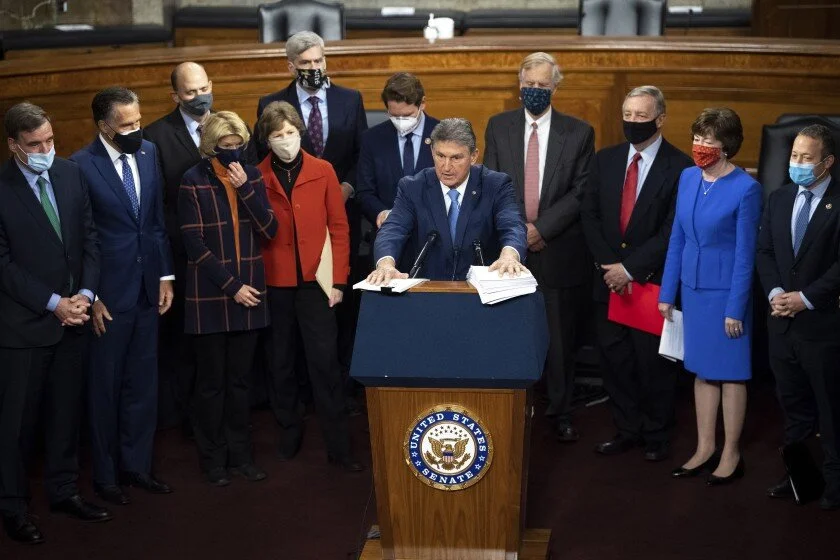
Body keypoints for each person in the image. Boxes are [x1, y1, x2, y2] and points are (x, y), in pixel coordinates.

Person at [0, 102, 109, 544]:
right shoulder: (2, 189)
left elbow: (89, 240)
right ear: (13, 145)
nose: (45, 150)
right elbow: (3, 265)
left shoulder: (70, 173)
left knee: (66, 415)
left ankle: (64, 492)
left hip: (74, 318)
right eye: (34, 145)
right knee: (17, 426)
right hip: (24, 327)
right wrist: (53, 304)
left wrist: (86, 294)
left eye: (49, 140)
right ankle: (13, 507)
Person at [71, 87, 175, 505]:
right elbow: (81, 239)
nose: (136, 129)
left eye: (138, 121)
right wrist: (91, 294)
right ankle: (106, 474)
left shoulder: (149, 152)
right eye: (126, 125)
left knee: (143, 384)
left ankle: (137, 466)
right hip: (108, 297)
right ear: (104, 126)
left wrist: (165, 274)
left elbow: (155, 221)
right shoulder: (80, 165)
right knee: (105, 388)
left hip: (148, 288)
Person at [483, 52, 595, 442]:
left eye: (542, 85)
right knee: (510, 334)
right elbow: (493, 183)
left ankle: (560, 412)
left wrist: (541, 229)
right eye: (528, 84)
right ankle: (511, 409)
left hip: (557, 248)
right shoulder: (498, 126)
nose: (534, 90)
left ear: (555, 88)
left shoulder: (578, 132)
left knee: (560, 340)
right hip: (510, 252)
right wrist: (519, 232)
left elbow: (581, 191)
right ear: (519, 85)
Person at [581, 86, 693, 461]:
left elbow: (672, 229)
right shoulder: (605, 159)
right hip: (608, 282)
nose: (632, 122)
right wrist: (610, 267)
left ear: (660, 119)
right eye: (627, 115)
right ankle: (626, 428)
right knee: (615, 362)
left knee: (653, 365)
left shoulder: (680, 167)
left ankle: (657, 434)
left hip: (651, 283)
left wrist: (629, 269)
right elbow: (590, 215)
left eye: (641, 116)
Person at [255, 30, 368, 399]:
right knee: (286, 339)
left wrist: (344, 188)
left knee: (335, 318)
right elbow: (264, 160)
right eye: (305, 63)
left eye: (319, 60)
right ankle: (298, 399)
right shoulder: (271, 103)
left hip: (339, 214)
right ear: (291, 66)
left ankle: (341, 393)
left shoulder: (351, 99)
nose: (314, 67)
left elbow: (361, 155)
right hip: (289, 232)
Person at [658, 107, 763, 484]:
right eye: (697, 138)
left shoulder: (746, 189)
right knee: (702, 372)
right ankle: (704, 448)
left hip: (726, 296)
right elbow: (677, 238)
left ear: (727, 146)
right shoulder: (688, 177)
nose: (699, 146)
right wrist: (667, 291)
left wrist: (736, 308)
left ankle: (731, 452)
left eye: (708, 141)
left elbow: (745, 255)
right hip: (693, 290)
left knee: (730, 374)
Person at [256, 101, 362, 472]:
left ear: (299, 132)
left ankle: (338, 445)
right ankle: (289, 429)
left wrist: (339, 281)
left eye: (290, 132)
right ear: (267, 139)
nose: (285, 140)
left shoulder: (323, 169)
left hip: (318, 283)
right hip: (275, 283)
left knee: (325, 363)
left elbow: (339, 227)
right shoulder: (257, 175)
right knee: (281, 362)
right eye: (277, 135)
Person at [178, 111, 278, 486]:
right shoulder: (193, 179)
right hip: (212, 293)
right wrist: (232, 285)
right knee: (211, 384)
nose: (234, 151)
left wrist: (246, 189)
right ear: (211, 146)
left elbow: (270, 228)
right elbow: (194, 244)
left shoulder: (251, 176)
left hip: (249, 292)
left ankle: (241, 456)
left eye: (239, 145)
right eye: (226, 146)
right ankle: (213, 460)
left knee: (240, 383)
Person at [756, 124, 840, 510]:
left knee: (830, 409)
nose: (798, 164)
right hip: (780, 322)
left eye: (807, 158)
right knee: (792, 407)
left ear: (827, 162)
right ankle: (800, 476)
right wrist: (775, 293)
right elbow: (765, 252)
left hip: (821, 325)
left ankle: (835, 484)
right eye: (794, 156)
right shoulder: (779, 197)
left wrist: (805, 299)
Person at [145, 61, 227, 437]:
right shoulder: (156, 136)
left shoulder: (229, 126)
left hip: (226, 255)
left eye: (203, 88)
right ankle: (185, 422)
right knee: (183, 344)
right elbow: (157, 205)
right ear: (175, 95)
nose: (199, 97)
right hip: (182, 256)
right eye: (190, 92)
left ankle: (219, 419)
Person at [368, 118, 527, 283]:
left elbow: (513, 226)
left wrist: (509, 255)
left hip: (480, 290)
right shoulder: (413, 187)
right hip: (429, 290)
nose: (446, 167)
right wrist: (385, 264)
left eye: (456, 158)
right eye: (440, 156)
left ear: (473, 156)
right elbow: (393, 229)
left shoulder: (495, 185)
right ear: (432, 151)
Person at [356, 72, 440, 269]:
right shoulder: (372, 139)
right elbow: (364, 192)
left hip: (435, 239)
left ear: (422, 104)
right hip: (389, 241)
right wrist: (381, 212)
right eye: (394, 115)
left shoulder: (443, 134)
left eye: (407, 115)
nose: (401, 120)